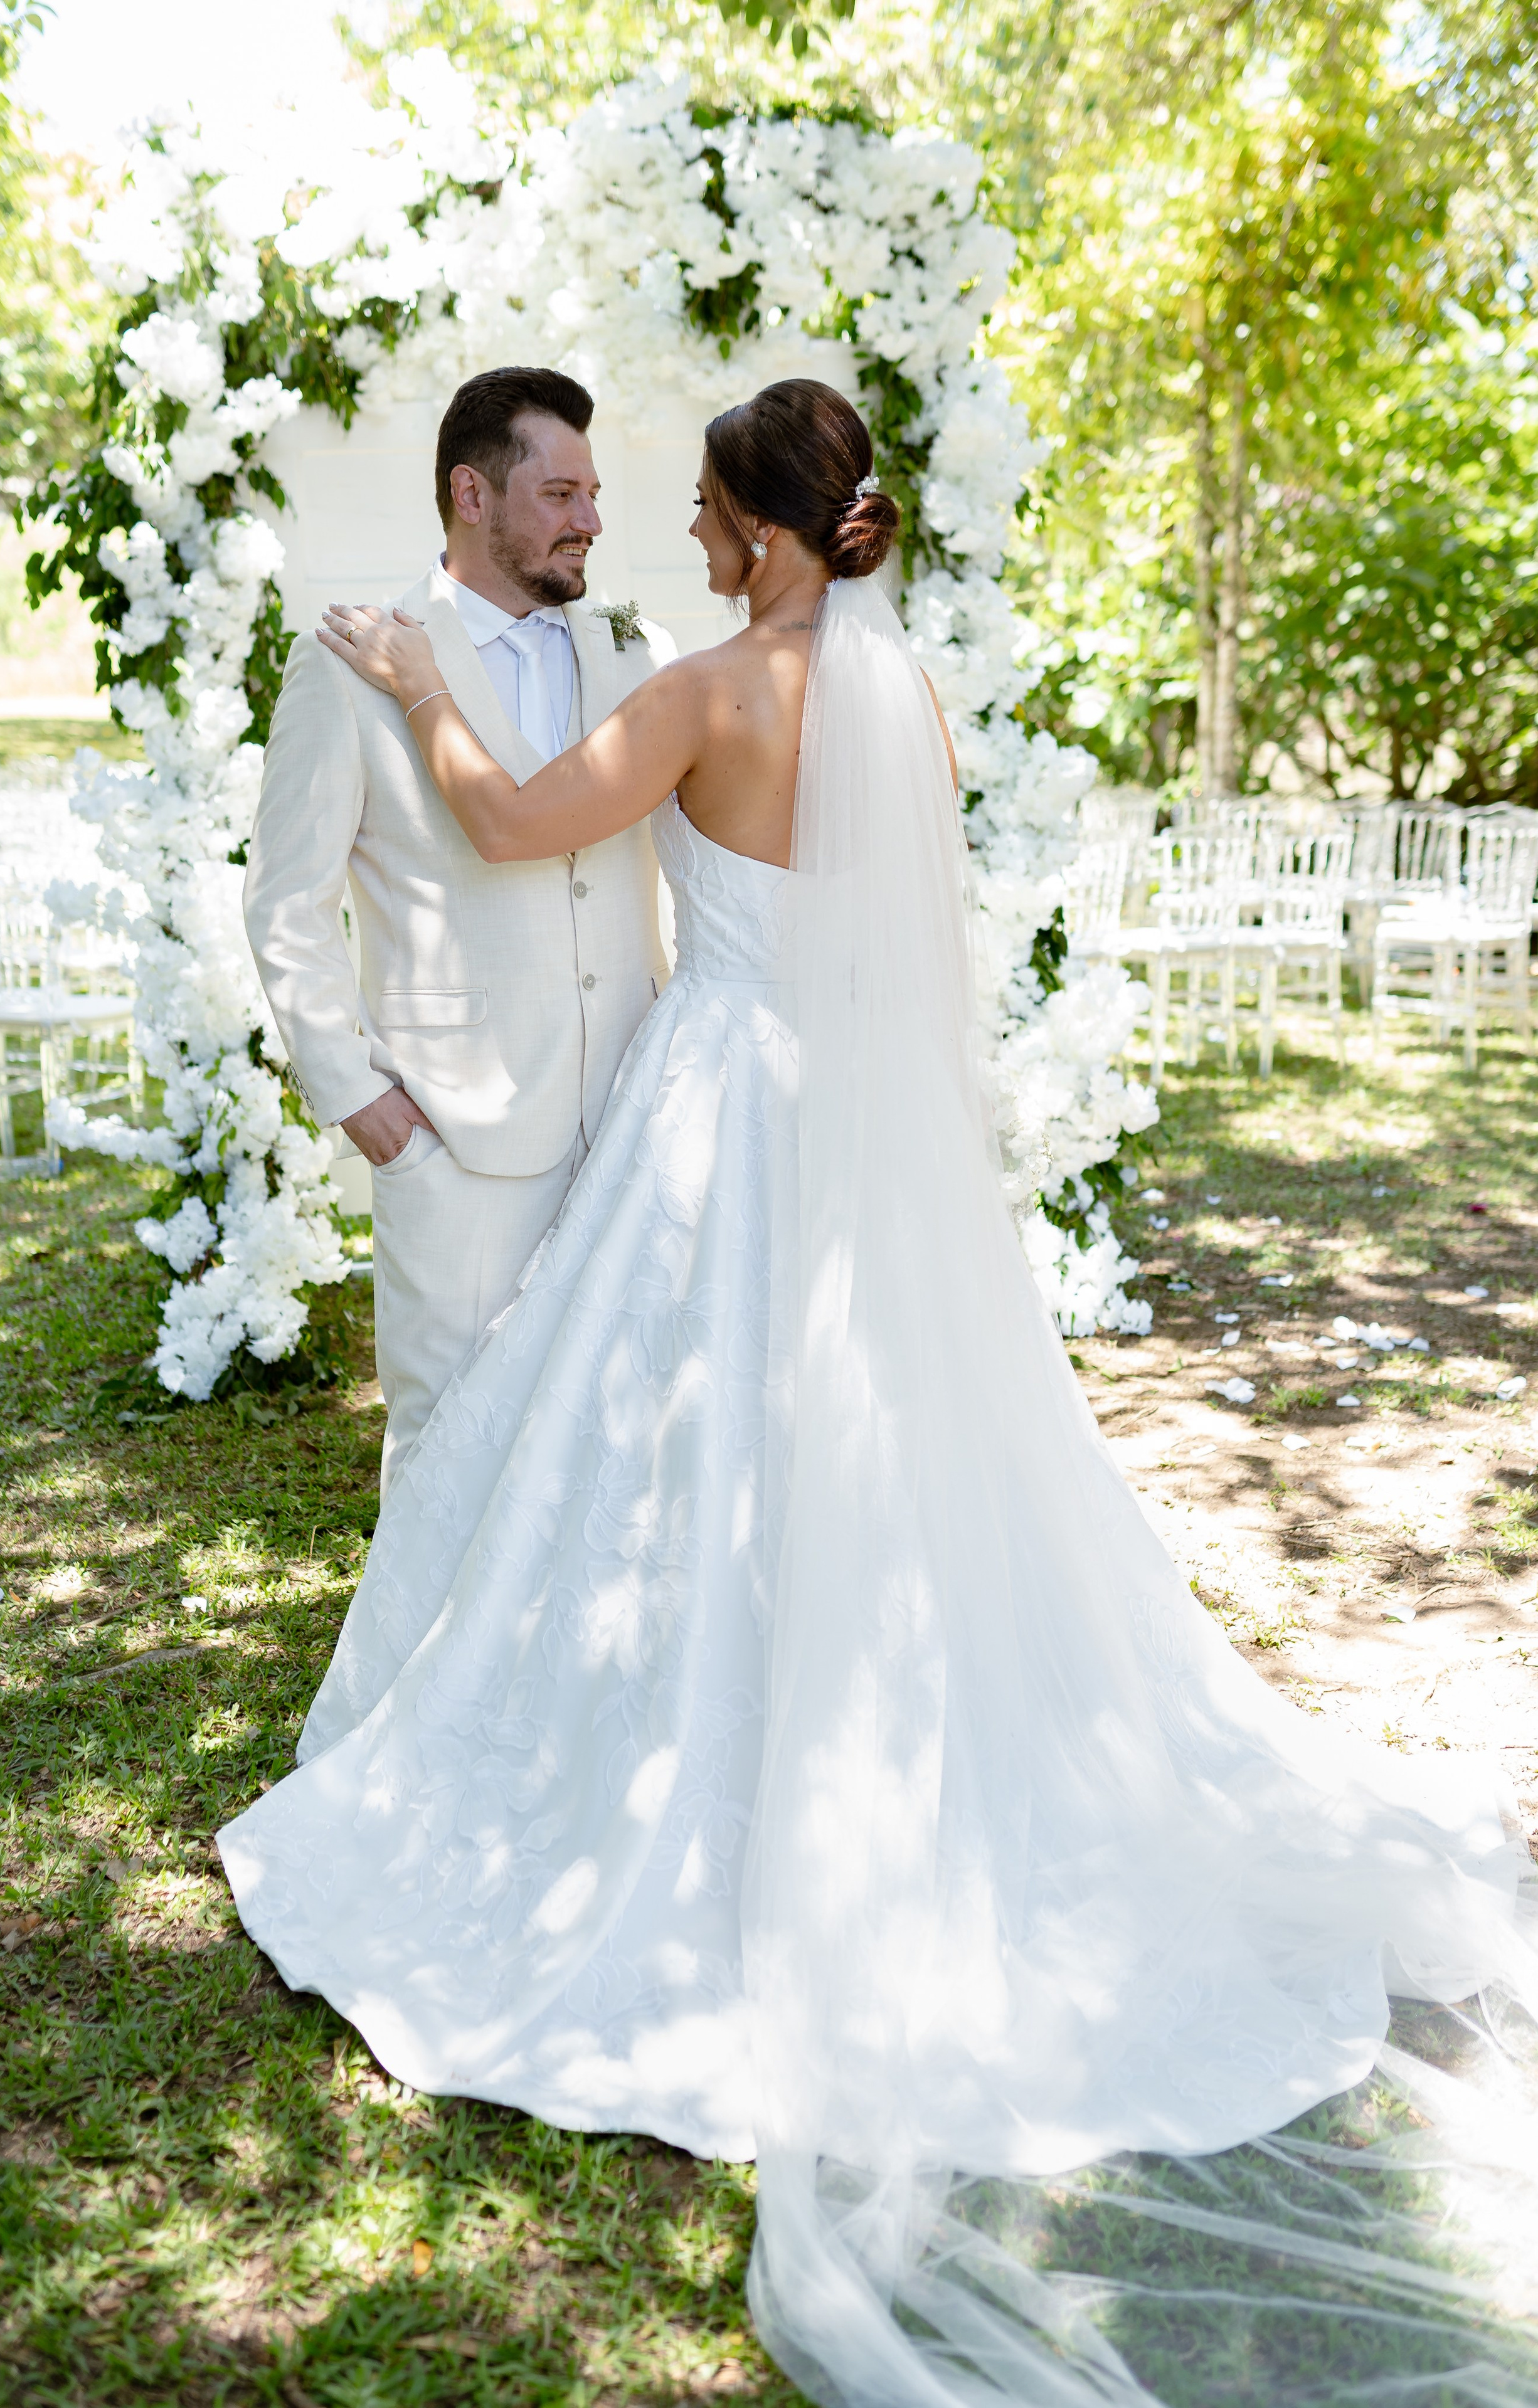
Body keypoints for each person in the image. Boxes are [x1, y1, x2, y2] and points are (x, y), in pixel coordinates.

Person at [220, 378, 1538, 2407]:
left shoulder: (712, 693)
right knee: (865, 1474)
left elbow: (500, 817)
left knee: (672, 1458)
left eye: (696, 507)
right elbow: (914, 949)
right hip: (866, 1135)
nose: (671, 528)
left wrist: (413, 676)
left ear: (757, 526)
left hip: (716, 1125)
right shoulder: (905, 700)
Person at [242, 366, 673, 1492]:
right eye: (562, 494)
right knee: (450, 1442)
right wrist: (361, 1100)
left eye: (594, 494)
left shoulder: (635, 652)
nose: (590, 521)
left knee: (616, 1429)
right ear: (471, 496)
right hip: (454, 1126)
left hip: (631, 1113)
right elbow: (287, 901)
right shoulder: (351, 666)